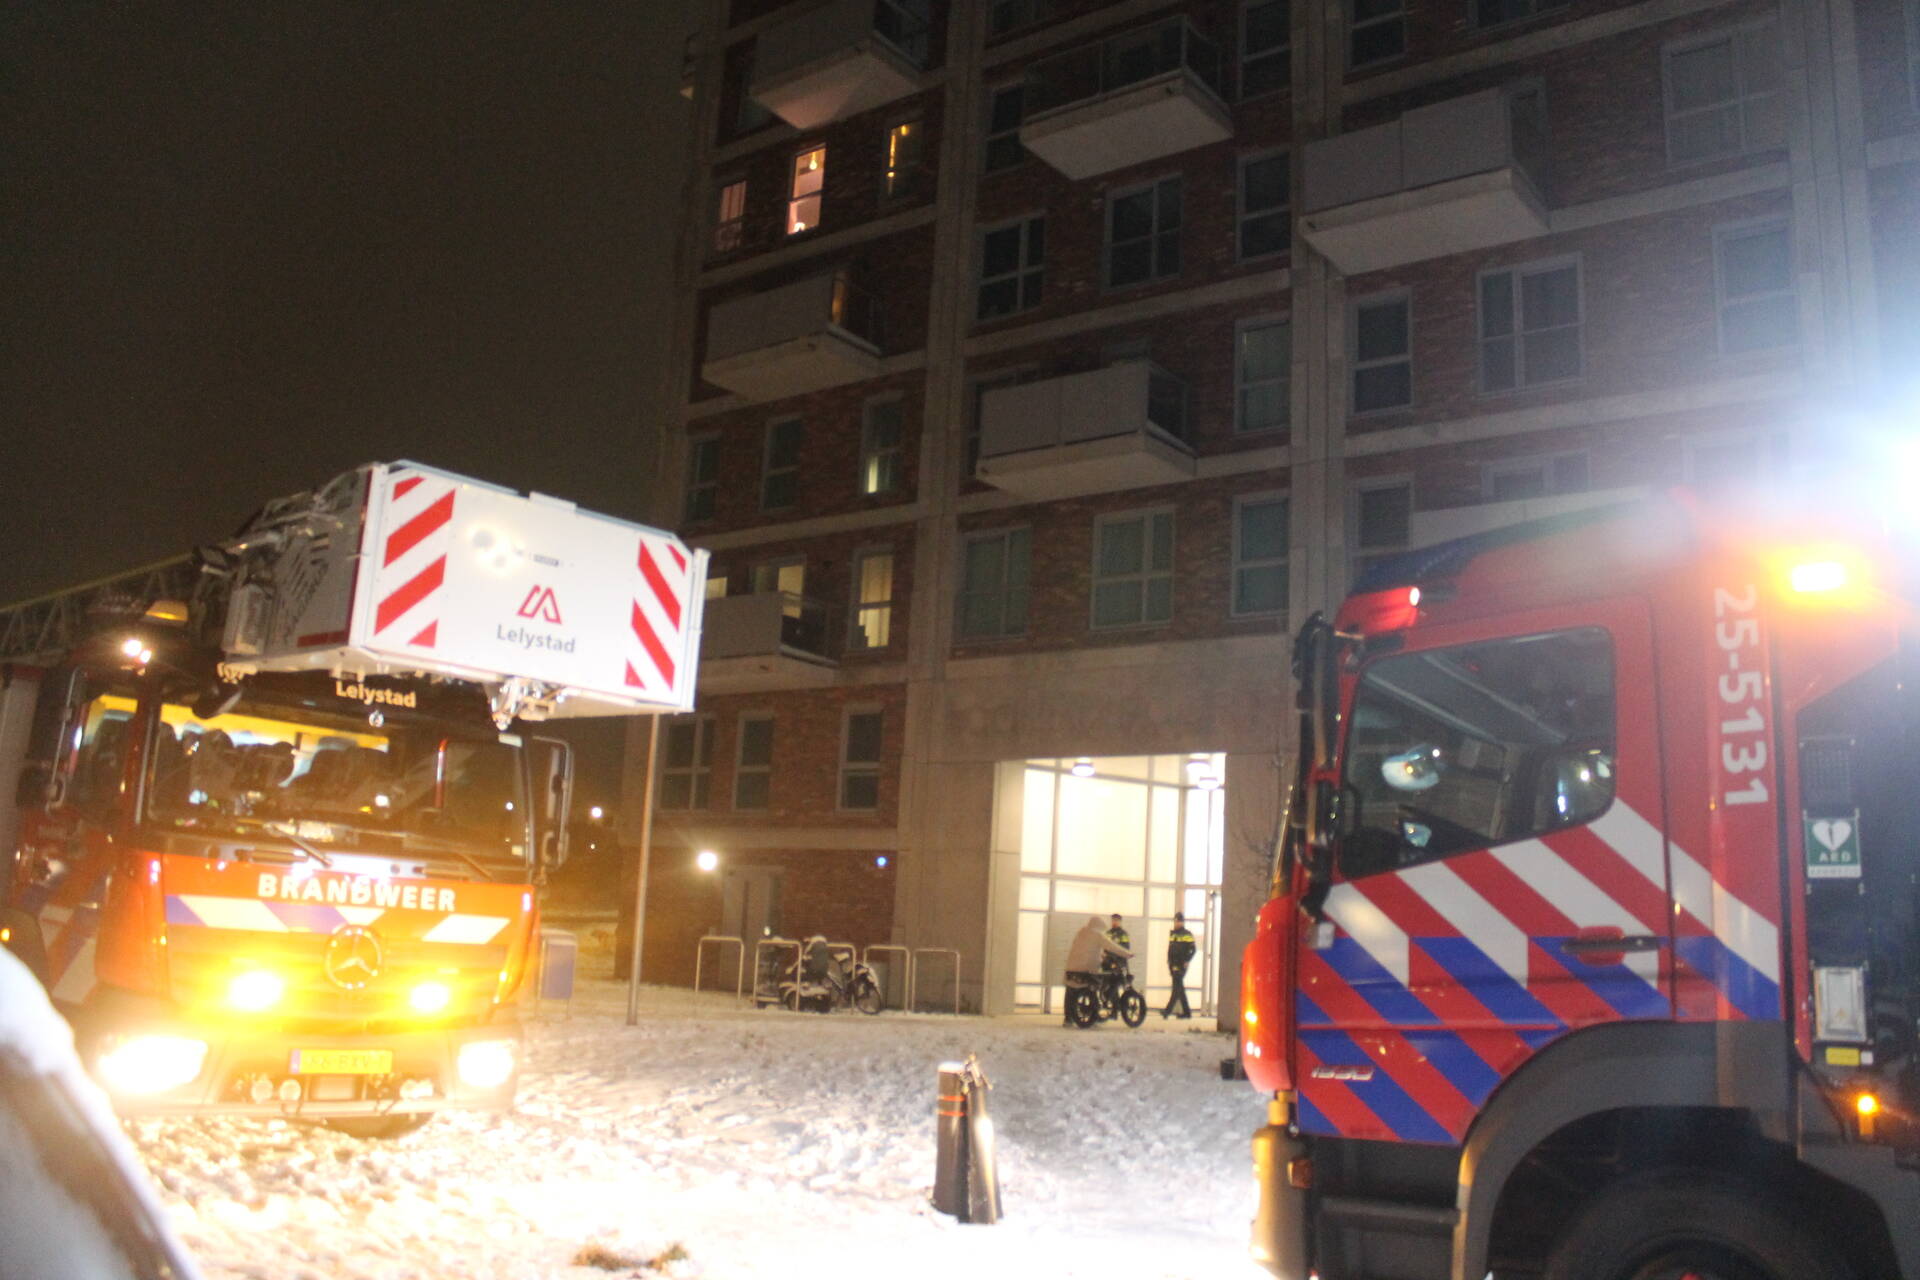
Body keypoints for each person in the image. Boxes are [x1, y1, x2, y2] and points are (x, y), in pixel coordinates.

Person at [1063, 915, 1132, 1024]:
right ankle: (1095, 1013)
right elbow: (1112, 946)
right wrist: (1127, 954)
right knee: (1097, 985)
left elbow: (1086, 949)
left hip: (1071, 968)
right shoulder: (1098, 935)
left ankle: (1068, 1019)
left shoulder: (1081, 932)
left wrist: (1101, 955)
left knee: (1070, 992)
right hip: (1087, 968)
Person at [1162, 912, 1196, 1019]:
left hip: (1181, 964)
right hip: (1173, 964)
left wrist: (1187, 960)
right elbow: (1170, 949)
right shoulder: (1173, 934)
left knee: (1176, 988)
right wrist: (1169, 962)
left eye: (1178, 921)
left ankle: (1167, 1011)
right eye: (1176, 921)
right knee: (1179, 988)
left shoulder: (1187, 934)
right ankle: (1187, 1013)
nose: (1177, 923)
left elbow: (1193, 949)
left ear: (1182, 922)